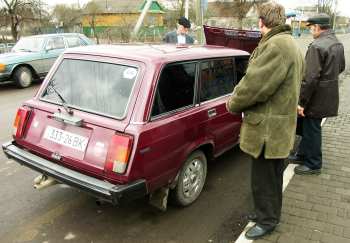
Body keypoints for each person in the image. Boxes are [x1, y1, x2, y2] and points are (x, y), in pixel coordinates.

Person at [226, 2, 304, 240]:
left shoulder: (276, 46)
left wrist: (232, 104)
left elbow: (254, 86)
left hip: (268, 131)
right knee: (270, 176)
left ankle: (268, 221)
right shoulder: (288, 43)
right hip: (276, 127)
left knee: (265, 179)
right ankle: (264, 213)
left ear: (262, 21)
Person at [290, 14, 345, 175]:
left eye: (311, 27)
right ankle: (302, 155)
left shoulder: (317, 46)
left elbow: (310, 78)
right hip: (327, 95)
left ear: (317, 27)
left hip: (315, 98)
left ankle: (314, 163)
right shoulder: (337, 43)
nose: (310, 30)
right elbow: (341, 67)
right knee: (308, 127)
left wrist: (301, 102)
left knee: (312, 130)